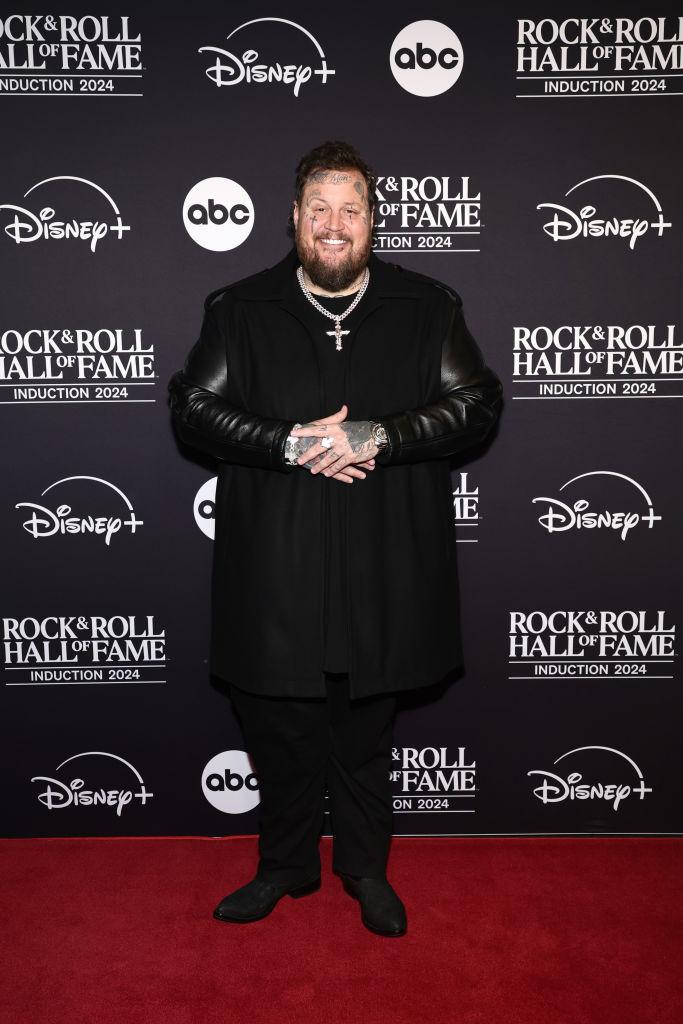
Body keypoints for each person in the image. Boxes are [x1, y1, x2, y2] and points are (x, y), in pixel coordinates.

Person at [167, 140, 503, 937]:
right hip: (273, 571)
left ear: (373, 224)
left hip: (384, 565)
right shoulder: (238, 309)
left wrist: (377, 436)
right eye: (318, 208)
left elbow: (477, 404)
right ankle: (284, 868)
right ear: (292, 219)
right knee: (278, 730)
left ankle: (363, 869)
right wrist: (289, 443)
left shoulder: (428, 307)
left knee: (364, 731)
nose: (333, 224)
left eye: (350, 209)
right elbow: (191, 408)